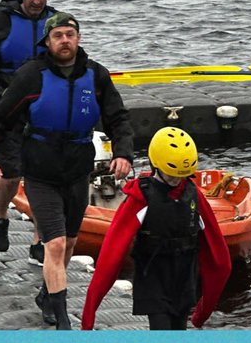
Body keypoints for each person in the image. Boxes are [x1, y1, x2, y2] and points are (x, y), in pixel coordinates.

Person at [0, 12, 133, 329]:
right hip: (39, 170)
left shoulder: (96, 76)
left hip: (77, 170)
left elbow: (118, 119)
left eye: (70, 35)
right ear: (47, 42)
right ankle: (63, 322)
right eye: (58, 35)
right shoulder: (31, 76)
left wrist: (123, 153)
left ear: (78, 39)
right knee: (56, 244)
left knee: (70, 244)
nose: (65, 40)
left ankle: (46, 295)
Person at [80, 127, 231, 330]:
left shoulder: (194, 195)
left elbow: (220, 259)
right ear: (156, 166)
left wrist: (203, 311)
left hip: (184, 278)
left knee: (178, 332)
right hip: (153, 278)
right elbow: (112, 254)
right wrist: (88, 317)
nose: (177, 181)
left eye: (182, 175)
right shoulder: (140, 197)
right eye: (171, 175)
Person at [0, 0, 58, 263]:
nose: (36, 0)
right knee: (12, 175)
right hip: (9, 106)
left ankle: (38, 239)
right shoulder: (0, 21)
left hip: (45, 107)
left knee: (43, 174)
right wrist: (0, 95)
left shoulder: (56, 22)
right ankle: (0, 216)